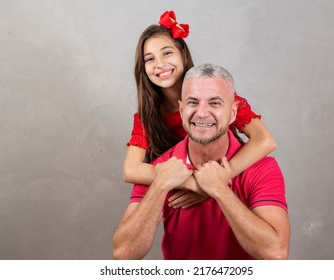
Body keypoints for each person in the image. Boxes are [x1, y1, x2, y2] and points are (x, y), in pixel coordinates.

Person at [113, 63, 290, 260]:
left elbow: (276, 254)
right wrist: (161, 184)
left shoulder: (262, 169)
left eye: (215, 103)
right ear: (181, 111)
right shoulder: (160, 169)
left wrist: (218, 189)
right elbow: (123, 256)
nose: (202, 113)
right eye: (193, 102)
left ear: (233, 113)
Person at [123, 11, 276, 208]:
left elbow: (265, 140)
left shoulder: (217, 93)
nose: (160, 64)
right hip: (187, 201)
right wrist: (194, 184)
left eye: (167, 53)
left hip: (232, 186)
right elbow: (131, 170)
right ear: (143, 68)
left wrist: (216, 182)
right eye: (149, 59)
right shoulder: (147, 116)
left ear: (182, 54)